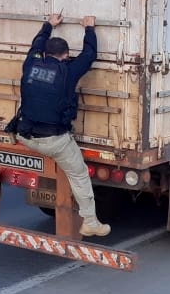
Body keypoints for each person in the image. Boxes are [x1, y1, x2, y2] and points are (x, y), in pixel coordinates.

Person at [14, 14, 110, 237]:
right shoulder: (68, 71)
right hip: (53, 140)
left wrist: (49, 25)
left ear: (45, 54)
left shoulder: (30, 62)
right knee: (79, 175)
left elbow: (36, 43)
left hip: (25, 134)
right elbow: (89, 55)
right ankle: (90, 222)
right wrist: (89, 28)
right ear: (66, 55)